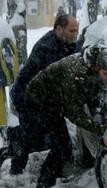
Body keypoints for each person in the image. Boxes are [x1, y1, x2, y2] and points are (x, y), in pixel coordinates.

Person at [0, 44, 107, 188]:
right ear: (97, 66)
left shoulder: (96, 66)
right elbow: (75, 114)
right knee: (61, 147)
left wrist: (99, 113)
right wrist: (102, 130)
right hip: (40, 100)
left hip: (55, 101)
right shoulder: (76, 74)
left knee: (46, 141)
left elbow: (96, 92)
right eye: (106, 75)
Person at [7, 14, 79, 175]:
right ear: (59, 29)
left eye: (77, 31)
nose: (75, 34)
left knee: (58, 137)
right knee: (31, 136)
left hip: (45, 97)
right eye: (72, 31)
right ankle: (16, 166)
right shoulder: (46, 48)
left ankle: (59, 171)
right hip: (26, 97)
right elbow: (55, 80)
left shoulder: (66, 42)